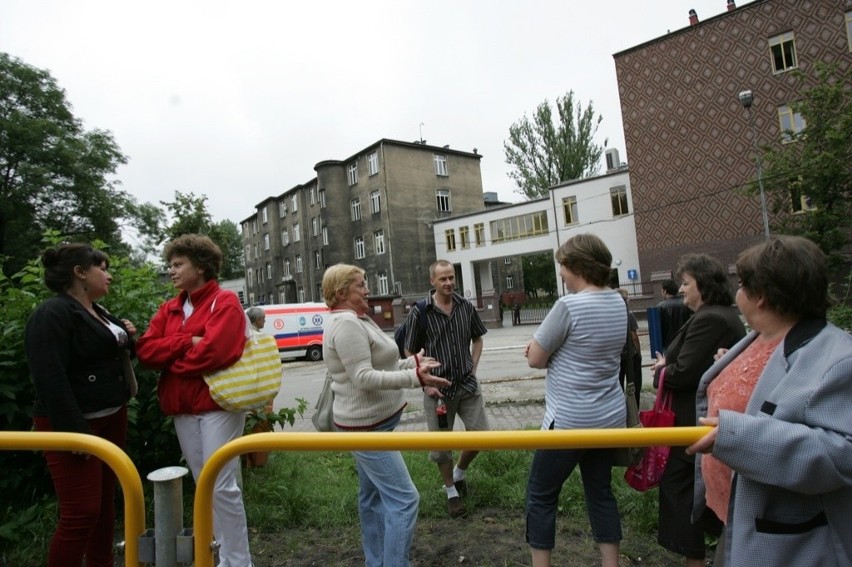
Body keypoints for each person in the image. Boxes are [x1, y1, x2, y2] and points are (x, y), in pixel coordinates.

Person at [688, 236, 852, 567]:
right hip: (735, 521)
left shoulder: (840, 359)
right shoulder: (756, 339)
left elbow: (842, 455)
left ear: (760, 295)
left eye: (742, 284)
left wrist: (738, 438)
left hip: (786, 543)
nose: (736, 292)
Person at [136, 234, 254, 567]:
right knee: (205, 484)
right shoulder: (170, 307)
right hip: (183, 408)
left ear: (200, 267)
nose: (171, 271)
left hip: (218, 405)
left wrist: (172, 359)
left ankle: (239, 561)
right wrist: (188, 339)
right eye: (170, 264)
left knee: (221, 484)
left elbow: (216, 353)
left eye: (178, 264)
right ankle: (218, 556)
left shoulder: (225, 301)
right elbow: (145, 351)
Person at [322, 263, 450, 567]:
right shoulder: (347, 325)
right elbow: (363, 377)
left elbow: (380, 364)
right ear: (341, 293)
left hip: (371, 423)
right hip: (365, 429)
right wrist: (414, 378)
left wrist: (412, 363)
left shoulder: (358, 319)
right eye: (360, 285)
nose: (368, 289)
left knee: (372, 497)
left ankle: (376, 561)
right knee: (405, 500)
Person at [25, 243, 136, 567]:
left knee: (104, 508)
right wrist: (73, 431)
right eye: (102, 268)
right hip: (76, 424)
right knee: (81, 512)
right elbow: (49, 378)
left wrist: (129, 337)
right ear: (80, 273)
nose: (109, 276)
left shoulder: (97, 312)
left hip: (111, 416)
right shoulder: (52, 314)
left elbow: (111, 356)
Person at [523, 234, 627, 567]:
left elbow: (536, 359)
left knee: (540, 495)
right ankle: (611, 563)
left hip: (568, 420)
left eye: (563, 268)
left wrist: (541, 351)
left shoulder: (568, 306)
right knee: (600, 493)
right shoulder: (619, 302)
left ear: (577, 266)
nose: (562, 275)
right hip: (609, 418)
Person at [651, 254, 746, 567]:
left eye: (686, 283)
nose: (681, 289)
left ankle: (696, 561)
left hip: (693, 420)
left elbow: (683, 373)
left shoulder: (711, 319)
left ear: (703, 285)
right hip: (697, 419)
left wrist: (661, 370)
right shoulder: (713, 315)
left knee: (682, 491)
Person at [403, 259, 489, 518]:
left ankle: (459, 473)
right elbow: (409, 350)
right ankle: (452, 493)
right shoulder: (421, 311)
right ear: (433, 281)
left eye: (451, 277)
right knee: (441, 448)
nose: (449, 283)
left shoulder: (465, 306)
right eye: (443, 279)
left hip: (467, 385)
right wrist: (424, 383)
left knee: (481, 436)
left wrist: (472, 370)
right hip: (437, 391)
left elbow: (478, 339)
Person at [616, 288, 642, 407]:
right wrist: (639, 353)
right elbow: (634, 336)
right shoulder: (629, 314)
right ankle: (634, 407)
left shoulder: (612, 314)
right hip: (629, 356)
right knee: (633, 383)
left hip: (617, 356)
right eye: (628, 298)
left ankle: (620, 406)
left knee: (619, 383)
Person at [657, 278, 692, 352]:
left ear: (665, 291)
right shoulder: (687, 304)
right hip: (686, 343)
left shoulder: (660, 306)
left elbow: (658, 329)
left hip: (668, 345)